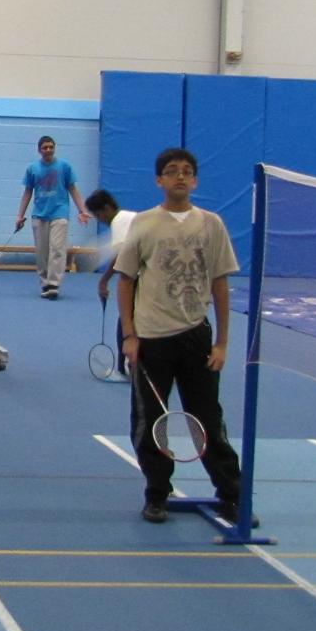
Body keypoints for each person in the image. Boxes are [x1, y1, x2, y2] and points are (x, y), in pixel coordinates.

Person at [114, 148, 247, 527]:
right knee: (149, 421)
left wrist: (221, 342)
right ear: (159, 180)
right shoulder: (143, 223)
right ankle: (156, 494)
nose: (180, 177)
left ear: (196, 180)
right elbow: (126, 281)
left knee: (207, 418)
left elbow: (220, 285)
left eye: (187, 172)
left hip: (196, 338)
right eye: (172, 172)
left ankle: (231, 494)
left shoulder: (212, 224)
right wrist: (130, 335)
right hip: (152, 340)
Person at [13, 135, 89, 300]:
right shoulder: (32, 169)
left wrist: (82, 210)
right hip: (39, 214)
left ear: (54, 148)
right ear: (39, 150)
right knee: (42, 253)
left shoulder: (64, 167)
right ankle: (45, 283)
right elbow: (27, 193)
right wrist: (20, 216)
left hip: (59, 212)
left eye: (51, 147)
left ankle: (54, 284)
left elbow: (73, 189)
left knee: (57, 249)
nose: (48, 150)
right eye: (44, 147)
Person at [86, 188, 136, 375]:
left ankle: (124, 368)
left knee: (125, 319)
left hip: (140, 277)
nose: (100, 220)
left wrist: (103, 281)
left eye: (98, 215)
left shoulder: (120, 221)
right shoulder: (131, 217)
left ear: (106, 208)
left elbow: (120, 258)